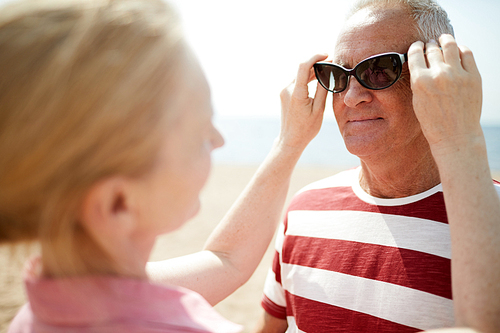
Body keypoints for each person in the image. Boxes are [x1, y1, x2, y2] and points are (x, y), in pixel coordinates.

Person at [0, 0, 328, 332]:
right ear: (118, 203)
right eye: (201, 130)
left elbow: (227, 261)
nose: (218, 140)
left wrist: (289, 144)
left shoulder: (44, 307)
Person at [255, 0, 500, 332]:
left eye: (378, 70)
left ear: (440, 71)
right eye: (337, 75)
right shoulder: (304, 209)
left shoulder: (489, 221)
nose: (351, 96)